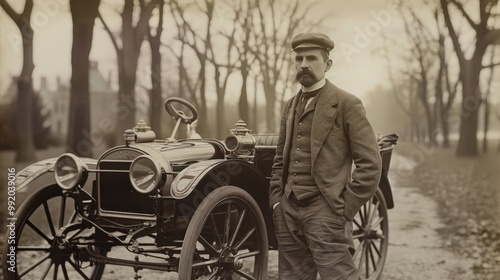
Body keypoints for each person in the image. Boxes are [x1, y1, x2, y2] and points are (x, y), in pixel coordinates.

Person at [269, 32, 382, 279]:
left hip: (327, 209)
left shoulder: (346, 104)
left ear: (327, 64)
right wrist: (278, 200)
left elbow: (371, 165)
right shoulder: (290, 105)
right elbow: (280, 159)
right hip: (288, 209)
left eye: (311, 58)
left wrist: (344, 209)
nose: (304, 65)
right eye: (298, 59)